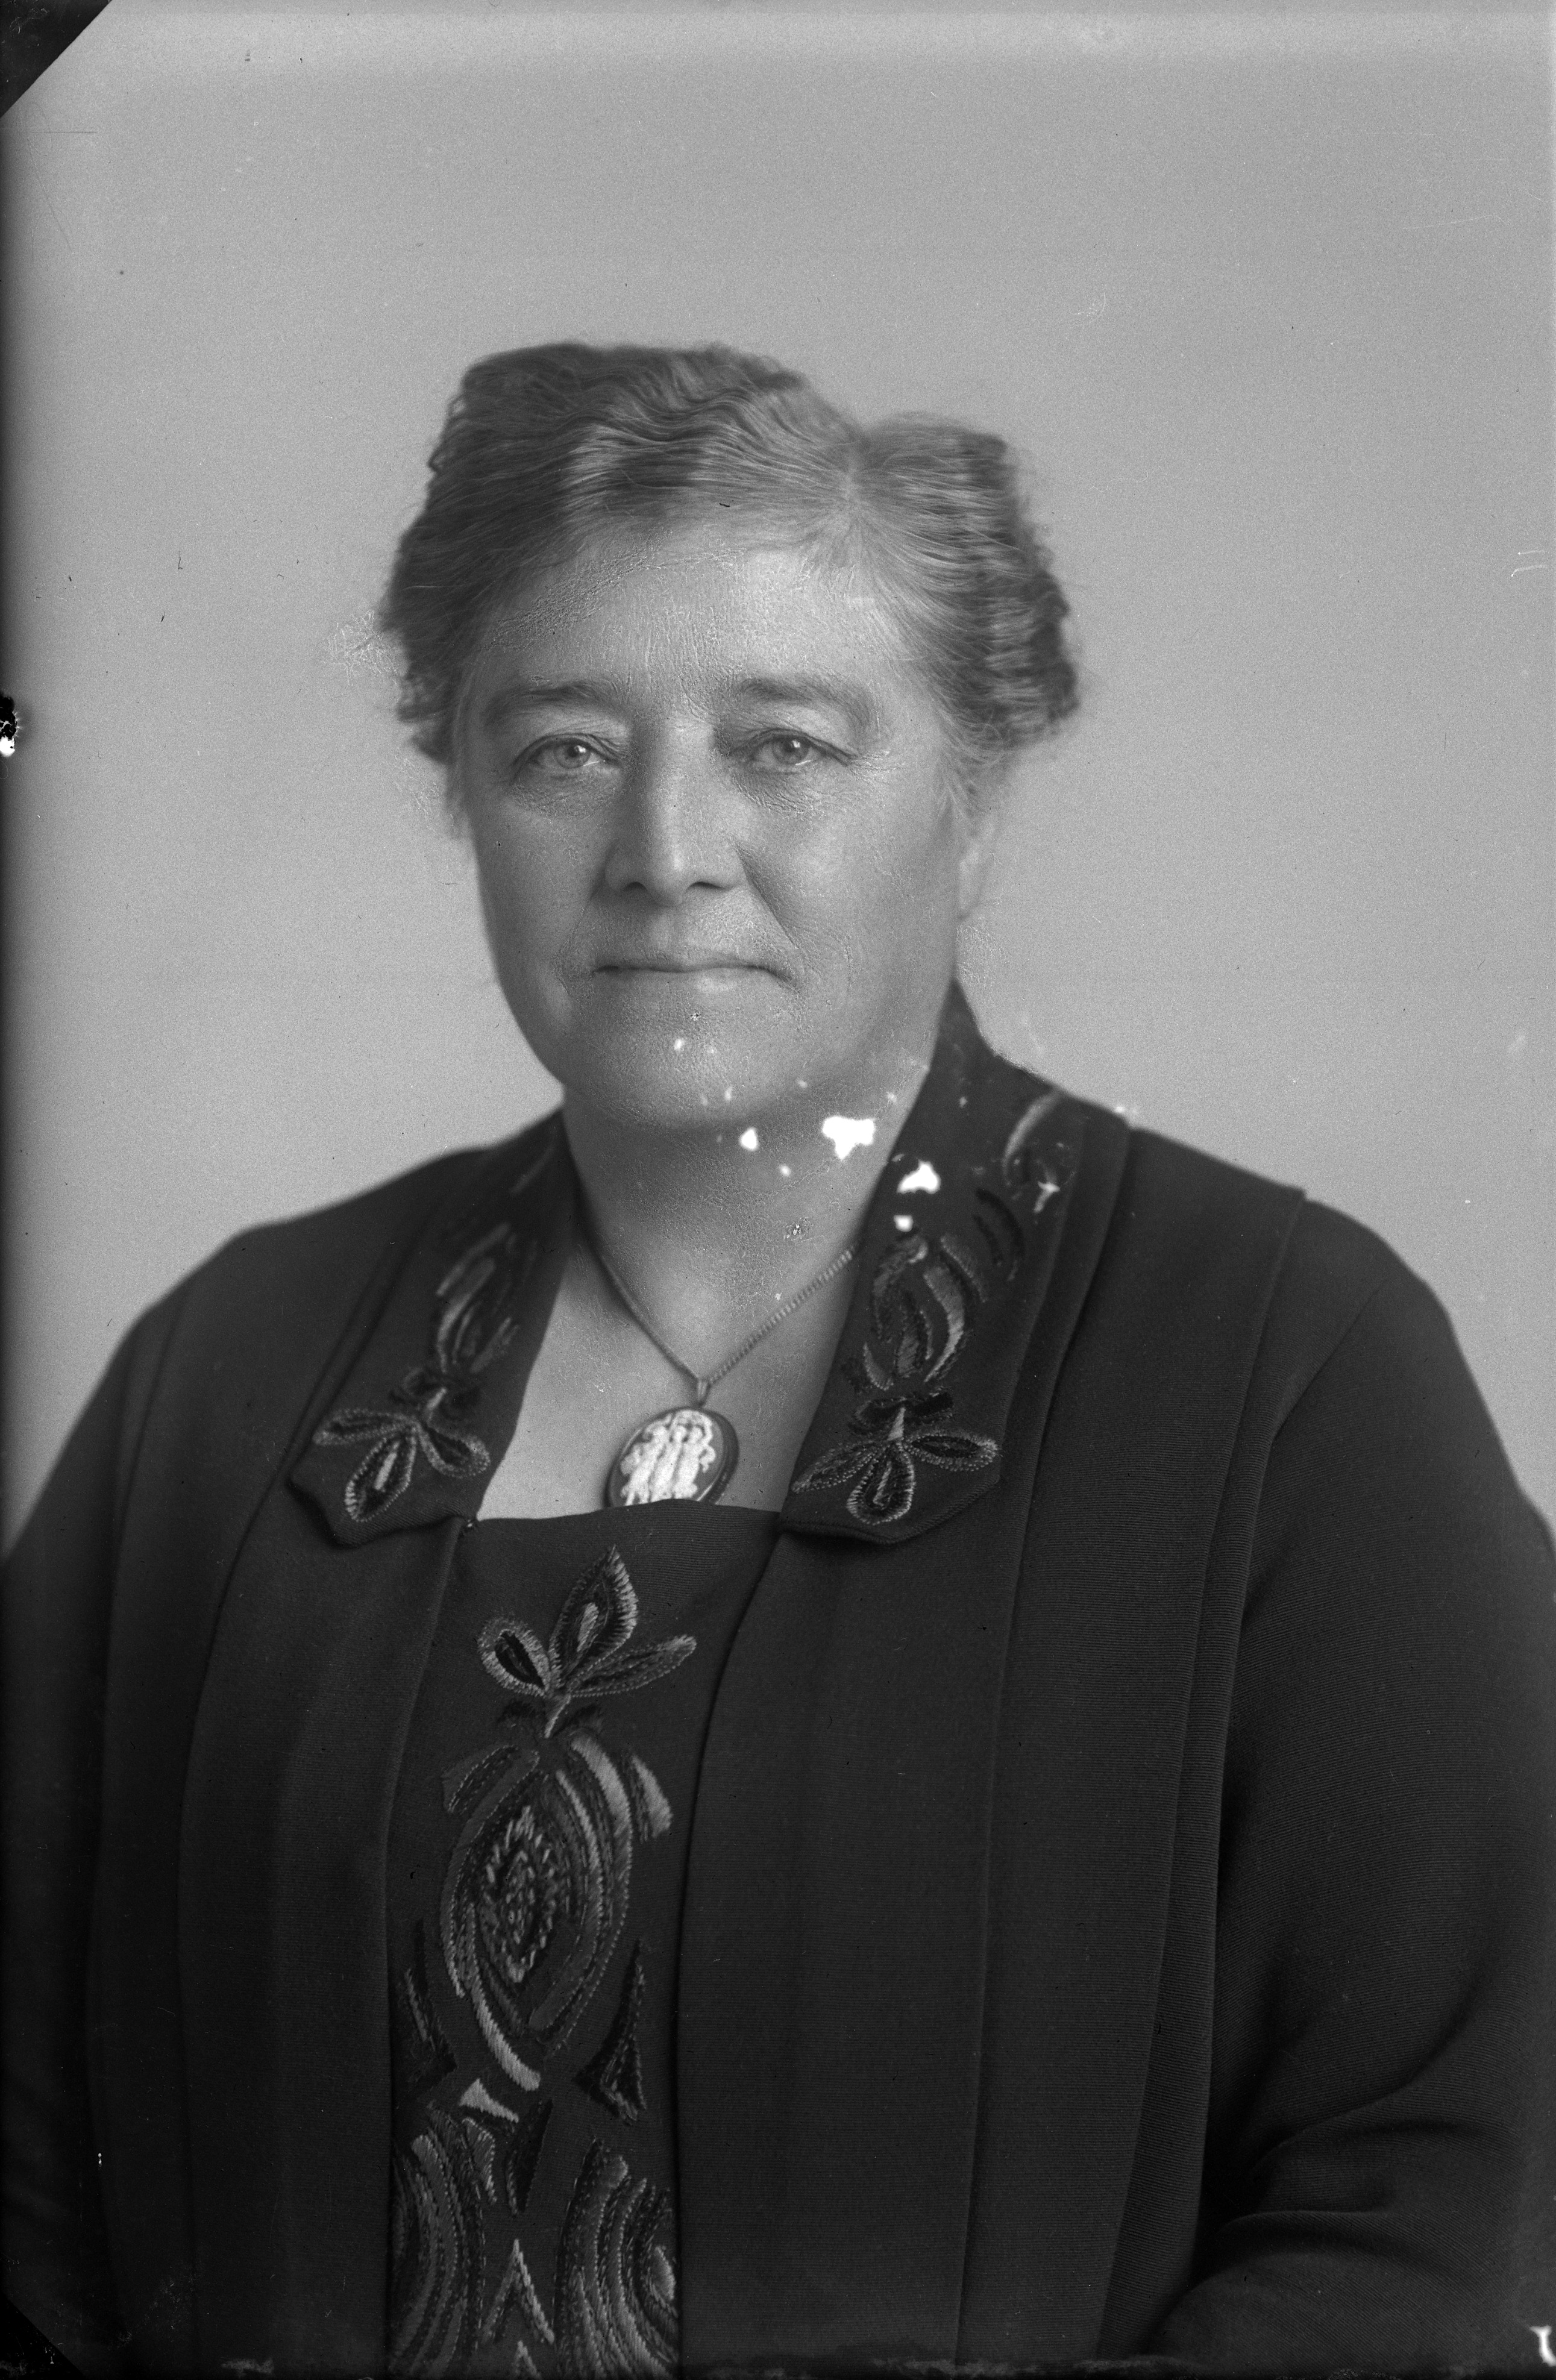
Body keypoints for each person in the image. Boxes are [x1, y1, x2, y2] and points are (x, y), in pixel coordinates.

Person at [4, 341, 1554, 2380]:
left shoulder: (1287, 1369)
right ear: (461, 789)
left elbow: (1430, 2235)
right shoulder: (229, 1373)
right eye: (566, 748)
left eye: (785, 746)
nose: (666, 847)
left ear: (973, 809)